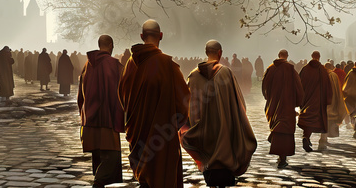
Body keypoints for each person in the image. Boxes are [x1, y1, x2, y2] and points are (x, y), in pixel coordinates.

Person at [118, 19, 189, 188]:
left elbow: (123, 96)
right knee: (162, 179)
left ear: (142, 36)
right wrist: (171, 125)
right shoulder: (167, 65)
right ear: (161, 36)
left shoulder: (130, 65)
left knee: (144, 179)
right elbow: (184, 102)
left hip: (137, 134)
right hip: (162, 137)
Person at [180, 40, 257, 187]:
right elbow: (239, 103)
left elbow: (187, 106)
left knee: (209, 164)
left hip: (203, 132)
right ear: (220, 53)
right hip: (224, 130)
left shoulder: (193, 76)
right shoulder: (226, 73)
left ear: (206, 52)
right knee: (224, 166)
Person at [79, 35, 126, 187]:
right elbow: (124, 92)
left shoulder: (87, 64)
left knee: (98, 156)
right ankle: (98, 183)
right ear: (111, 45)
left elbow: (81, 95)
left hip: (90, 121)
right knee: (111, 157)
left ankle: (99, 182)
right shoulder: (114, 64)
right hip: (108, 120)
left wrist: (84, 116)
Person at [261, 49, 304, 168]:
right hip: (287, 104)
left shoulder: (271, 68)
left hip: (274, 104)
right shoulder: (290, 69)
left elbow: (264, 85)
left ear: (278, 56)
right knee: (285, 129)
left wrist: (268, 98)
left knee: (277, 126)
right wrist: (298, 102)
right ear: (286, 56)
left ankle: (280, 155)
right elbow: (298, 86)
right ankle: (283, 157)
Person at [297, 51, 331, 152]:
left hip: (306, 99)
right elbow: (327, 85)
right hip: (318, 100)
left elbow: (299, 83)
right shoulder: (322, 70)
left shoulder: (305, 69)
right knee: (314, 119)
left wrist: (299, 98)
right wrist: (328, 99)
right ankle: (306, 137)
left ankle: (306, 136)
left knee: (307, 118)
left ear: (311, 57)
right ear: (319, 57)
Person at [321, 62, 347, 150]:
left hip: (322, 101)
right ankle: (324, 138)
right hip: (331, 100)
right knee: (328, 120)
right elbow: (337, 89)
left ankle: (323, 138)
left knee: (323, 120)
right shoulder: (333, 75)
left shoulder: (320, 75)